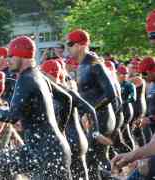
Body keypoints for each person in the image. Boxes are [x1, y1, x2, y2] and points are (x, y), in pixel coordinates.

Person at [0, 36, 72, 179]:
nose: (7, 60)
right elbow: (67, 98)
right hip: (43, 149)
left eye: (11, 56)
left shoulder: (26, 79)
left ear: (23, 56)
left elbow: (12, 116)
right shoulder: (39, 75)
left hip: (47, 154)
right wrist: (60, 131)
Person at [67, 29, 122, 179]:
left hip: (103, 117)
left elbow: (111, 94)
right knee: (94, 161)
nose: (68, 48)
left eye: (70, 44)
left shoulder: (94, 63)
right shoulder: (82, 65)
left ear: (80, 45)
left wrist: (91, 110)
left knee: (92, 159)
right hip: (94, 117)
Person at [41, 60, 107, 180]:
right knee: (81, 175)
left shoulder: (61, 93)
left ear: (48, 74)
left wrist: (96, 132)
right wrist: (95, 131)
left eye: (43, 75)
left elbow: (90, 109)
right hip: (79, 139)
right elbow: (90, 110)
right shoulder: (67, 91)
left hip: (69, 141)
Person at [111, 56, 155, 179]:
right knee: (142, 164)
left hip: (138, 112)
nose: (143, 77)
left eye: (145, 73)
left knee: (145, 167)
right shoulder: (151, 85)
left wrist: (133, 155)